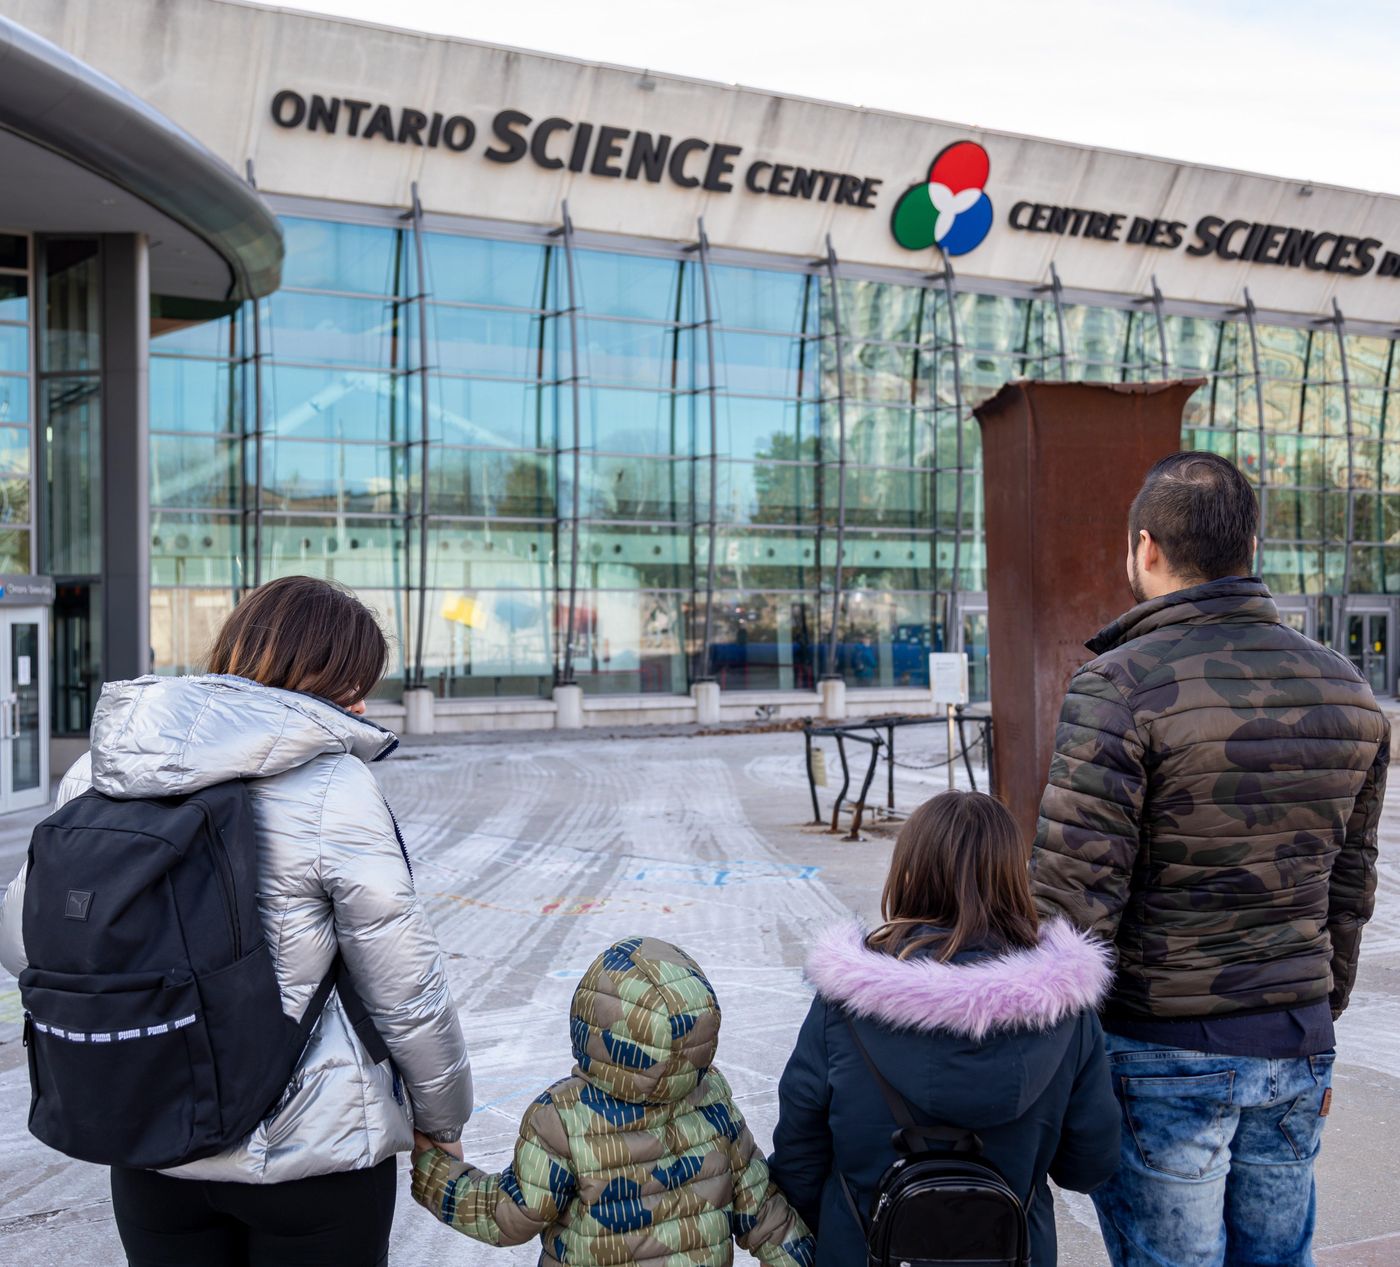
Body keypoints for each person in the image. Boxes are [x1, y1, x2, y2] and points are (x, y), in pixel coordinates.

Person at [0, 575, 474, 1267]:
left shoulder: (102, 768)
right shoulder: (335, 785)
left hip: (154, 1139)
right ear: (324, 675)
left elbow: (24, 938)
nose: (364, 702)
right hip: (312, 1150)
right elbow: (404, 986)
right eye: (356, 683)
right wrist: (442, 1117)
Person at [1032, 451, 1389, 1267]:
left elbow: (1074, 898)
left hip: (1161, 1044)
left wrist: (1047, 1053)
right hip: (1295, 1036)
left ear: (1146, 547)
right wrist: (1315, 1001)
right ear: (1251, 546)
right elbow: (1351, 885)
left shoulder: (1118, 686)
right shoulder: (1346, 688)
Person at [768, 789, 1120, 1267]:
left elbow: (798, 1158)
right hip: (1014, 1254)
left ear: (908, 872)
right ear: (1013, 877)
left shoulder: (843, 1006)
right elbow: (1088, 1165)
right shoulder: (1065, 1013)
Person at [410, 935, 815, 1267]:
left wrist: (436, 1172)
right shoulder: (712, 1097)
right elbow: (764, 1210)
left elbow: (509, 1215)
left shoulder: (563, 1116)